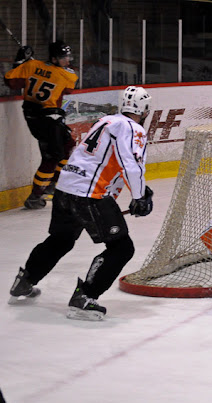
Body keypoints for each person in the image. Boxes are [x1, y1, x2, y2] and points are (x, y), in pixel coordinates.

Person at [8, 86, 154, 321]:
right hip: (88, 194)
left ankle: (25, 281)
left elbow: (103, 160)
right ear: (145, 110)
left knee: (60, 240)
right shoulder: (132, 128)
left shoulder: (105, 121)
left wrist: (139, 190)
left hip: (66, 187)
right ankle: (85, 297)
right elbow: (131, 164)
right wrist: (138, 197)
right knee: (122, 248)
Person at [4, 41, 78, 209]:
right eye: (63, 58)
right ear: (53, 58)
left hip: (35, 116)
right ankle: (35, 196)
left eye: (68, 57)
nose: (67, 60)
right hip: (47, 120)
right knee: (51, 158)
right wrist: (46, 69)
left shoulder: (31, 65)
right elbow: (69, 88)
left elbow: (11, 81)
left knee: (69, 147)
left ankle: (52, 183)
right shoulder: (65, 74)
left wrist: (20, 62)